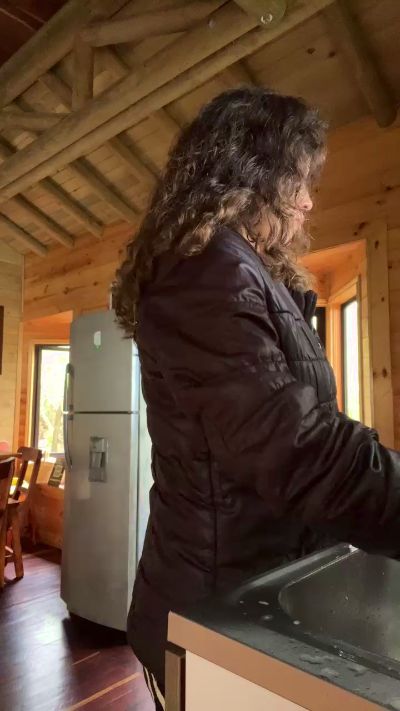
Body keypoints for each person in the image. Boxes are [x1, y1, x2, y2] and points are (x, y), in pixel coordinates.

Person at [113, 88, 400, 709]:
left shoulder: (243, 273)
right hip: (210, 603)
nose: (308, 200)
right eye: (298, 178)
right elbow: (296, 447)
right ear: (253, 173)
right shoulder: (206, 268)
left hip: (244, 592)